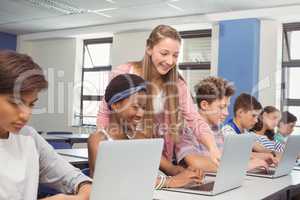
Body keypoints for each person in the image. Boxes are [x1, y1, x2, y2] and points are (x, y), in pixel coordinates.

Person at [97, 24, 220, 176]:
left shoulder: (177, 84)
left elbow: (194, 119)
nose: (170, 61)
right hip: (125, 150)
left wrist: (212, 147)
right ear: (149, 48)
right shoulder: (123, 73)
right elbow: (104, 113)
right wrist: (103, 148)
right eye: (164, 53)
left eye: (175, 55)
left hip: (159, 158)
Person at [0, 50, 92, 200]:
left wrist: (84, 187)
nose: (25, 115)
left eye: (31, 104)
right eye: (15, 102)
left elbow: (70, 176)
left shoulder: (28, 136)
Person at [88, 74, 203, 189]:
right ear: (116, 105)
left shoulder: (139, 138)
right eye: (135, 107)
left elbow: (171, 169)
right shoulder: (99, 140)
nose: (141, 114)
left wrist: (190, 172)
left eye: (143, 108)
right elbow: (115, 182)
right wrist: (170, 182)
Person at [175, 77, 269, 172]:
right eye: (221, 107)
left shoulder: (216, 129)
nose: (226, 113)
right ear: (204, 105)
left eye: (226, 107)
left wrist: (261, 157)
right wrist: (243, 166)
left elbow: (229, 156)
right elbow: (195, 162)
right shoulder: (185, 129)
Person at [222, 93, 278, 162]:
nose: (256, 121)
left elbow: (259, 147)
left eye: (257, 117)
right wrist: (266, 155)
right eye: (253, 116)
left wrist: (274, 153)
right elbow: (238, 155)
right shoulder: (227, 131)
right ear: (240, 113)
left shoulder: (246, 133)